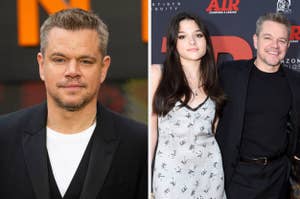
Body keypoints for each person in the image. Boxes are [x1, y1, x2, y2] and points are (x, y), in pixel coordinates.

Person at [0, 8, 147, 199]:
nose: (72, 71)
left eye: (85, 61)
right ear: (41, 65)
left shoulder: (139, 143)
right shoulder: (4, 137)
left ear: (104, 68)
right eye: (60, 60)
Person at [216, 12, 300, 199]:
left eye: (281, 40)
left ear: (287, 45)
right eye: (268, 38)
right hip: (238, 176)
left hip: (278, 177)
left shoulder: (296, 82)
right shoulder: (229, 74)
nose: (275, 46)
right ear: (255, 40)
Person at [151, 12, 226, 198]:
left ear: (206, 41)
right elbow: (151, 133)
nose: (192, 41)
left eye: (198, 35)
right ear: (173, 44)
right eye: (182, 36)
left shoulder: (215, 81)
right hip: (169, 177)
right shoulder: (157, 74)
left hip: (211, 175)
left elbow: (214, 131)